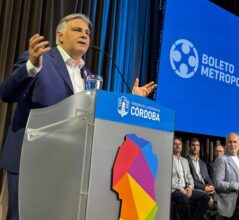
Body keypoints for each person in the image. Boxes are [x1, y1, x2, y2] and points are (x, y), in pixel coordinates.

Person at [0, 13, 156, 220]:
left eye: (87, 33)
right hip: (31, 159)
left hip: (67, 164)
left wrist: (131, 98)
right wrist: (31, 67)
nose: (84, 35)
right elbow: (7, 93)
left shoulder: (88, 75)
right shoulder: (40, 60)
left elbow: (97, 114)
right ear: (60, 36)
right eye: (77, 30)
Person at [171, 137, 209, 220]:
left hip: (186, 188)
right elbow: (168, 179)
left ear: (182, 146)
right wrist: (181, 189)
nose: (178, 146)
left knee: (205, 197)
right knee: (185, 199)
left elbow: (189, 176)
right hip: (174, 190)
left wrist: (190, 187)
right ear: (171, 145)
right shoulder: (168, 160)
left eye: (180, 144)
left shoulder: (184, 160)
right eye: (175, 144)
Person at [186, 138, 215, 204]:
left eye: (197, 145)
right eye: (193, 145)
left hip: (206, 188)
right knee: (209, 200)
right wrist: (204, 188)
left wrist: (211, 187)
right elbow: (189, 180)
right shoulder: (185, 161)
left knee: (221, 197)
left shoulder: (203, 163)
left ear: (199, 148)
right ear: (189, 147)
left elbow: (207, 178)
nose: (195, 147)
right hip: (194, 189)